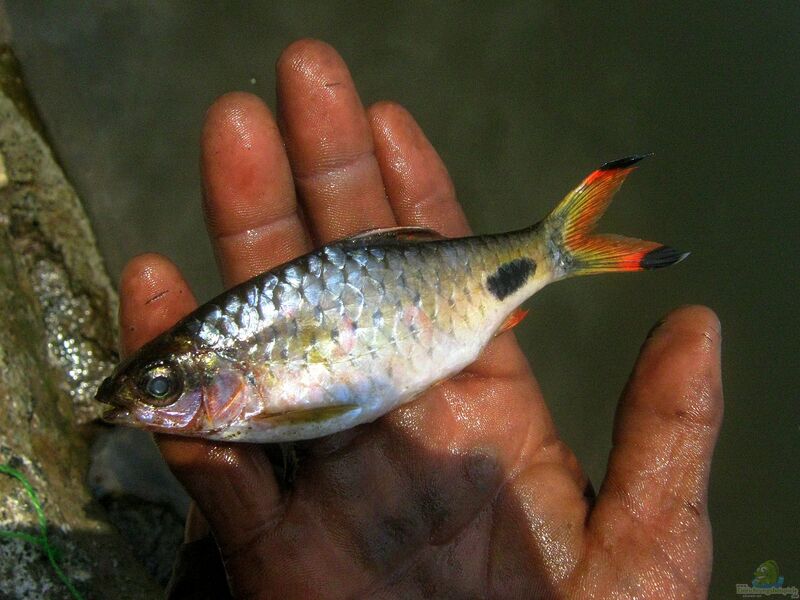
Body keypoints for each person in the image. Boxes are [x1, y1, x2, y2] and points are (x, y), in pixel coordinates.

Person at [118, 39, 723, 599]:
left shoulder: (250, 409)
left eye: (161, 387)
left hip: (463, 309)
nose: (153, 405)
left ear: (208, 372)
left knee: (545, 251)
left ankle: (552, 251)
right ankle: (551, 250)